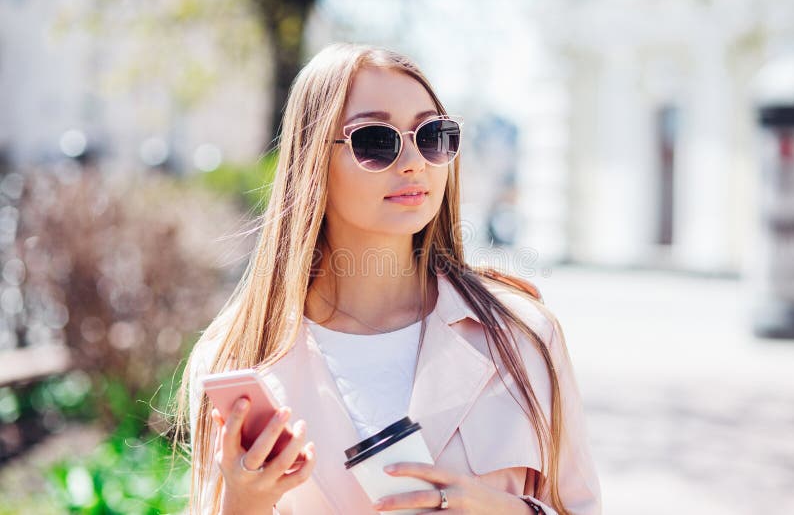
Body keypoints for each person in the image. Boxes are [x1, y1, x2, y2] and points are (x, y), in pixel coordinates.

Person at [173, 42, 602, 515]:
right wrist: (244, 502)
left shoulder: (521, 335)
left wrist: (501, 510)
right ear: (312, 159)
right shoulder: (237, 355)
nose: (415, 162)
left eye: (432, 135)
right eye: (376, 141)